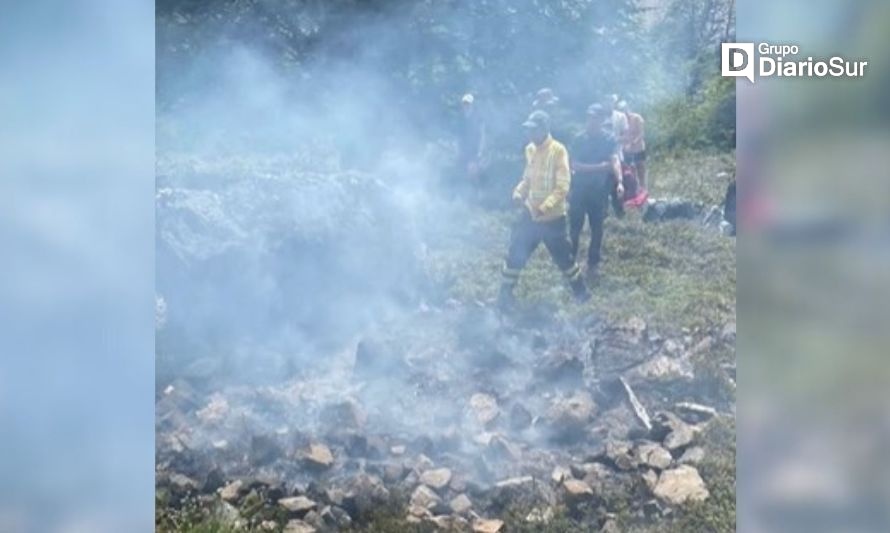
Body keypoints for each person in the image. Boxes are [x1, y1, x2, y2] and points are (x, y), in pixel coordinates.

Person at [498, 110, 589, 308]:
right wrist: (518, 193)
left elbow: (563, 186)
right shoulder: (530, 149)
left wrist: (545, 207)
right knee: (515, 253)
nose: (529, 133)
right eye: (528, 129)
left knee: (565, 260)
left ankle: (582, 294)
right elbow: (527, 179)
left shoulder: (558, 150)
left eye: (533, 129)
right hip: (530, 216)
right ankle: (504, 295)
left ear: (544, 129)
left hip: (553, 219)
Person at [569, 104, 623, 281]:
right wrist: (599, 167)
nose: (592, 121)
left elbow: (614, 161)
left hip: (599, 191)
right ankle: (570, 263)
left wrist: (620, 181)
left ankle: (593, 264)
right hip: (578, 189)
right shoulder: (578, 138)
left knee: (597, 229)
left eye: (596, 118)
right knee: (574, 228)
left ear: (602, 120)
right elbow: (574, 165)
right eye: (590, 117)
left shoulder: (609, 139)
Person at [457, 93, 486, 189]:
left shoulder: (478, 119)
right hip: (464, 151)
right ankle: (465, 192)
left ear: (472, 105)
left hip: (474, 151)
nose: (466, 106)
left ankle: (476, 192)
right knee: (463, 173)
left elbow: (482, 136)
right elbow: (459, 136)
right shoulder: (461, 119)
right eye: (464, 104)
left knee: (473, 173)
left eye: (468, 104)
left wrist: (480, 151)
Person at [619, 100, 647, 191]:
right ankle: (634, 189)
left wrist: (634, 142)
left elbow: (641, 133)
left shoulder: (637, 118)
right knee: (630, 170)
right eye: (621, 110)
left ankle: (643, 188)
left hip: (638, 148)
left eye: (624, 109)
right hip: (627, 150)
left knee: (640, 168)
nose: (624, 112)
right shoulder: (621, 120)